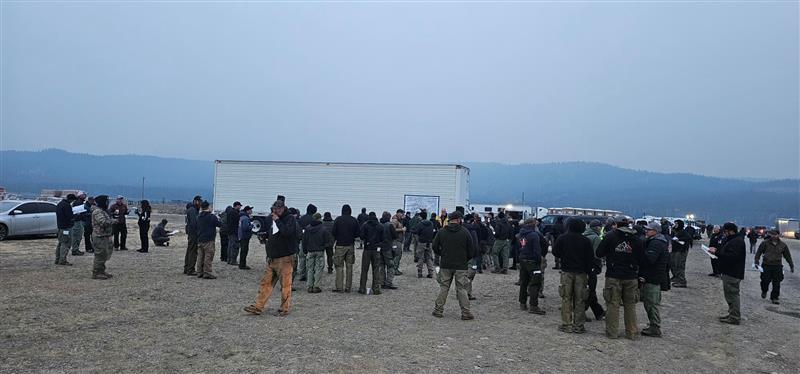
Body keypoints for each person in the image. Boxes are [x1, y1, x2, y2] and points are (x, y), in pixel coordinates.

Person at [244, 199, 299, 316]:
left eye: (277, 209)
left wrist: (278, 221)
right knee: (266, 283)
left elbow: (287, 232)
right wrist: (265, 236)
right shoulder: (273, 220)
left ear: (283, 208)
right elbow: (274, 234)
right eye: (274, 209)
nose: (275, 211)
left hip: (285, 258)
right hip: (272, 257)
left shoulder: (290, 219)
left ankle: (284, 308)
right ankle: (258, 306)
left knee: (285, 285)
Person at [596, 215, 644, 340]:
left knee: (613, 304)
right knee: (630, 305)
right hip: (631, 275)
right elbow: (642, 258)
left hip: (614, 275)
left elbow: (599, 253)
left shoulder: (610, 236)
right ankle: (631, 333)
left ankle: (612, 332)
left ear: (615, 224)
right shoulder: (636, 238)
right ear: (628, 224)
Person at [552, 218, 595, 333]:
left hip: (567, 271)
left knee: (566, 298)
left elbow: (555, 252)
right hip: (581, 273)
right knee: (580, 299)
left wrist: (565, 256)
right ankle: (578, 325)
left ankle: (567, 324)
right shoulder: (585, 240)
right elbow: (590, 258)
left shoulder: (562, 238)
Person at [431, 211, 475, 320]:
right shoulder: (465, 232)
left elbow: (435, 246)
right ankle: (466, 312)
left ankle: (438, 310)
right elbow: (471, 250)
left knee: (444, 287)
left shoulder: (442, 231)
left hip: (445, 263)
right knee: (461, 289)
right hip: (461, 265)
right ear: (459, 219)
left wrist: (442, 254)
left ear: (449, 219)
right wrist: (465, 259)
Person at [708, 222, 746, 325]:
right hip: (729, 272)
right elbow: (727, 252)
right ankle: (732, 313)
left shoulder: (737, 241)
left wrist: (716, 253)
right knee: (729, 295)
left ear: (730, 231)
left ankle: (734, 316)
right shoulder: (733, 240)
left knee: (732, 295)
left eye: (725, 231)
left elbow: (731, 257)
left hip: (732, 272)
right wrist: (717, 250)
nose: (724, 233)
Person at [640, 222, 670, 337]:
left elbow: (650, 259)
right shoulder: (660, 242)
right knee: (650, 302)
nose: (646, 231)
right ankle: (653, 325)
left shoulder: (656, 243)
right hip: (656, 275)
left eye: (649, 229)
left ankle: (655, 327)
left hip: (653, 276)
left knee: (651, 303)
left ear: (656, 231)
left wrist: (641, 254)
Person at [517, 218, 548, 315]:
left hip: (523, 260)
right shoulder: (534, 235)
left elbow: (520, 247)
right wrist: (539, 260)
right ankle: (533, 306)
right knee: (535, 283)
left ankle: (522, 303)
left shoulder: (521, 234)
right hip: (533, 261)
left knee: (524, 282)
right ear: (533, 224)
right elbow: (537, 249)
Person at [755, 230, 794, 304]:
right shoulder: (765, 243)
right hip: (766, 265)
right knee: (765, 280)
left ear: (778, 235)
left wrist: (791, 265)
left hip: (777, 266)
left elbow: (788, 256)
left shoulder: (783, 245)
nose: (774, 236)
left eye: (775, 235)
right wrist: (756, 262)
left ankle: (775, 297)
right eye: (772, 234)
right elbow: (758, 252)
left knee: (777, 282)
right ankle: (764, 290)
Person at [331, 204, 360, 293]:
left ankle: (339, 287)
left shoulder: (338, 220)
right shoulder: (354, 220)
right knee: (349, 267)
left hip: (340, 245)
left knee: (339, 267)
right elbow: (357, 234)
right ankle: (348, 287)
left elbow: (333, 232)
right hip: (350, 246)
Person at [303, 212, 333, 293]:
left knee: (310, 269)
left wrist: (305, 250)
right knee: (318, 269)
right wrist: (323, 246)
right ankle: (316, 286)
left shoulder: (307, 228)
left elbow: (304, 241)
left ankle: (309, 286)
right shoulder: (323, 229)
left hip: (310, 251)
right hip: (319, 251)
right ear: (320, 219)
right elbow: (329, 241)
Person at [582, 220, 606, 321]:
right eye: (600, 227)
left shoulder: (583, 235)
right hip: (591, 267)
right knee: (590, 291)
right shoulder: (596, 238)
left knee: (587, 290)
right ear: (597, 227)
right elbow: (597, 254)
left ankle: (599, 312)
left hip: (581, 266)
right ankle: (581, 312)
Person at [359, 212, 384, 295]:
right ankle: (376, 288)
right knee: (376, 269)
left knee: (364, 269)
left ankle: (362, 288)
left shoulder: (365, 225)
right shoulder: (380, 226)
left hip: (367, 249)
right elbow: (383, 239)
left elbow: (361, 236)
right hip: (376, 249)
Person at [196, 201, 222, 279]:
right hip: (209, 239)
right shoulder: (211, 216)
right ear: (208, 207)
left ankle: (199, 272)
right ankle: (207, 272)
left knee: (200, 256)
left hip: (200, 238)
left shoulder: (198, 216)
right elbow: (219, 224)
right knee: (208, 256)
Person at [91, 195, 114, 279]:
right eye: (107, 201)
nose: (108, 203)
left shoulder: (103, 211)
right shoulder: (97, 211)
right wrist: (112, 221)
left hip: (104, 235)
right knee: (100, 255)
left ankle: (101, 270)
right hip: (99, 236)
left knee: (104, 254)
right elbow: (103, 222)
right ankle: (96, 273)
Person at [297, 204, 319, 281]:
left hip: (302, 241)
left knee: (302, 258)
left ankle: (301, 274)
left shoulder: (301, 218)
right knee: (310, 260)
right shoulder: (313, 220)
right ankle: (309, 275)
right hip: (311, 242)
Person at [55, 194, 77, 265]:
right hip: (66, 228)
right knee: (66, 243)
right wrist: (75, 216)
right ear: (71, 199)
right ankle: (62, 260)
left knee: (60, 243)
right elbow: (69, 216)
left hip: (60, 226)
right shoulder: (67, 205)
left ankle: (57, 259)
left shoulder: (60, 204)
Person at [413, 211, 437, 278]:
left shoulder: (420, 224)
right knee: (429, 258)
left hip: (422, 242)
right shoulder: (431, 223)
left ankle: (420, 273)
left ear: (421, 217)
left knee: (421, 258)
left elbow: (416, 232)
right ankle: (431, 273)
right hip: (429, 243)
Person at [669, 220, 692, 288]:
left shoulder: (683, 231)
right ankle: (676, 277)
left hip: (681, 250)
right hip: (675, 250)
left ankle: (682, 281)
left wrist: (679, 239)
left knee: (680, 265)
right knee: (673, 264)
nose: (675, 225)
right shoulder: (675, 230)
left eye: (676, 223)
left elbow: (689, 238)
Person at [380, 211, 399, 290]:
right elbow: (395, 236)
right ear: (388, 217)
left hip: (380, 247)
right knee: (391, 265)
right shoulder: (390, 225)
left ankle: (381, 282)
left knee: (381, 265)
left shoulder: (379, 225)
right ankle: (389, 282)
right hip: (388, 247)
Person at [184, 196, 202, 276]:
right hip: (193, 234)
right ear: (195, 201)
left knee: (190, 250)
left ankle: (187, 268)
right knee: (192, 251)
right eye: (199, 201)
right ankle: (190, 269)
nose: (200, 203)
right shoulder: (193, 211)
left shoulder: (192, 210)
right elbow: (195, 223)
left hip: (192, 233)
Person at [70, 192, 87, 256]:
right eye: (83, 195)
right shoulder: (78, 202)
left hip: (78, 220)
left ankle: (76, 249)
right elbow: (77, 212)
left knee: (78, 236)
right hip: (77, 221)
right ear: (80, 196)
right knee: (77, 235)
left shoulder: (79, 202)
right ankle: (75, 249)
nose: (85, 196)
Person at [226, 202, 242, 266]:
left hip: (230, 231)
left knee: (230, 246)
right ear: (236, 206)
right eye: (239, 206)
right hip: (234, 231)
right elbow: (237, 222)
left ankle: (229, 259)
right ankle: (233, 260)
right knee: (235, 246)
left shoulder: (230, 212)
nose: (240, 207)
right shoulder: (235, 213)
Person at [390, 209, 406, 275]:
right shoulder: (395, 221)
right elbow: (392, 229)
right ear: (398, 213)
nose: (403, 216)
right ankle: (394, 269)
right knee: (397, 255)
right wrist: (401, 229)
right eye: (402, 214)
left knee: (398, 255)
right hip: (396, 241)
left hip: (398, 240)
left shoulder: (399, 220)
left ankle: (394, 269)